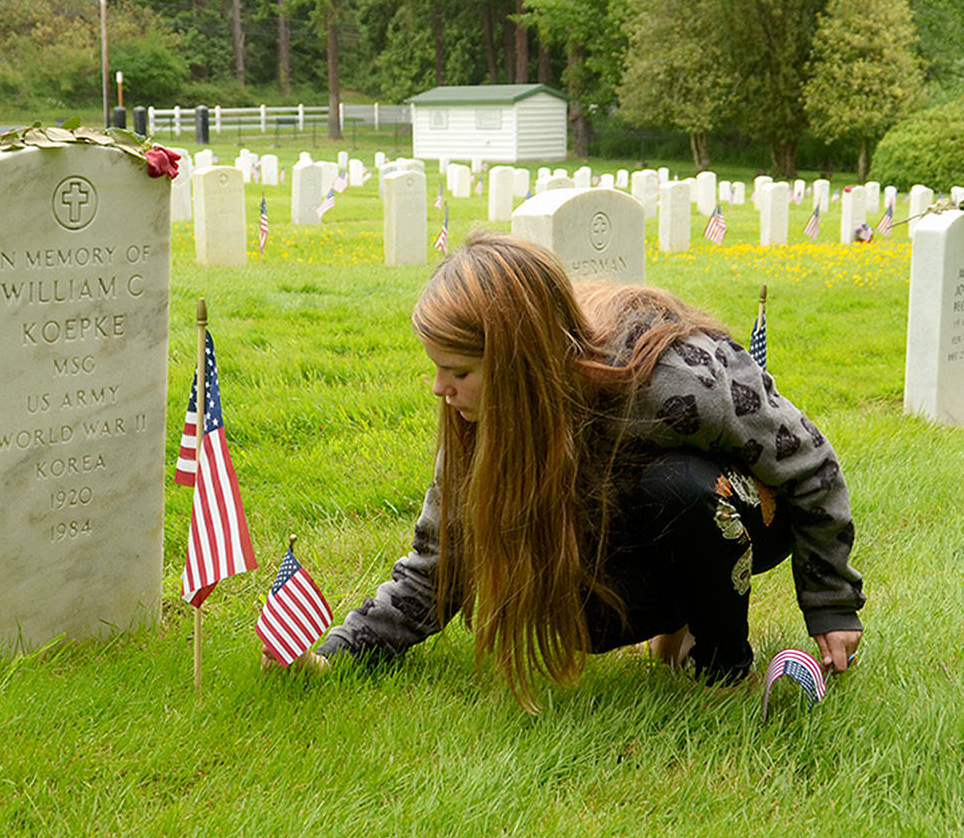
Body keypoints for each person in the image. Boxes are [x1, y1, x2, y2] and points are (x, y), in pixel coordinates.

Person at [270, 232, 863, 711]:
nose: (438, 389)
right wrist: (343, 651)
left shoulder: (676, 379)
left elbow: (808, 464)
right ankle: (678, 619)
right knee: (571, 604)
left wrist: (831, 604)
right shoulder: (480, 420)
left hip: (739, 513)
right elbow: (441, 559)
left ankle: (719, 661)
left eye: (459, 371)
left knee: (679, 487)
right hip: (637, 533)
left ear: (517, 360)